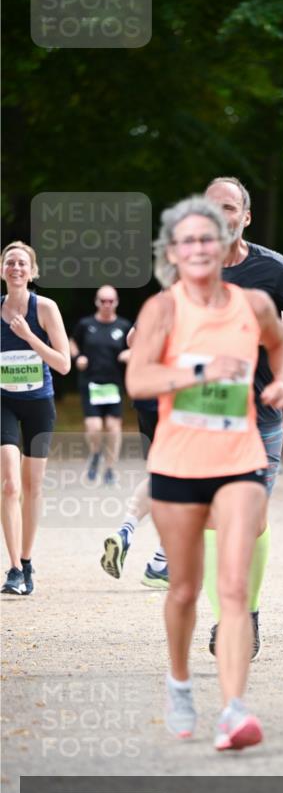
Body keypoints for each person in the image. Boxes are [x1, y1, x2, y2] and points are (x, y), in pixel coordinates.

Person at [126, 195, 283, 750]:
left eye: (208, 238)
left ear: (225, 246)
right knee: (183, 590)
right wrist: (197, 370)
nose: (199, 247)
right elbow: (141, 383)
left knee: (233, 587)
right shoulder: (163, 310)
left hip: (240, 459)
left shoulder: (255, 304)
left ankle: (234, 710)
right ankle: (179, 683)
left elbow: (281, 343)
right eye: (188, 240)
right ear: (173, 252)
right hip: (177, 463)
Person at [203, 176, 283, 660]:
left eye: (229, 207)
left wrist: (267, 329)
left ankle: (246, 612)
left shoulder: (272, 269)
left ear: (245, 217)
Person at [1, 241, 71, 594]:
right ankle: (13, 568)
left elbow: (63, 363)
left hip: (39, 403)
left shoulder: (45, 308)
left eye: (22, 263)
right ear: (2, 270)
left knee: (32, 486)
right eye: (10, 262)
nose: (16, 268)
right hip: (4, 404)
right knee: (10, 483)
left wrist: (28, 337)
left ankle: (27, 559)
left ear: (32, 271)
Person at [100, 326, 169, 589]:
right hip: (175, 397)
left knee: (159, 473)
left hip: (147, 397)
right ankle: (160, 565)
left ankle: (125, 531)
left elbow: (132, 338)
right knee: (185, 479)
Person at [69, 286, 131, 485]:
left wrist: (127, 354)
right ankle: (95, 454)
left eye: (110, 301)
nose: (106, 304)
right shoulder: (86, 324)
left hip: (114, 383)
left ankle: (110, 468)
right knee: (94, 426)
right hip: (91, 382)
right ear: (96, 302)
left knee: (113, 427)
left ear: (117, 302)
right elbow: (72, 342)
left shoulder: (123, 326)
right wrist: (78, 357)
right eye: (103, 301)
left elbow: (137, 347)